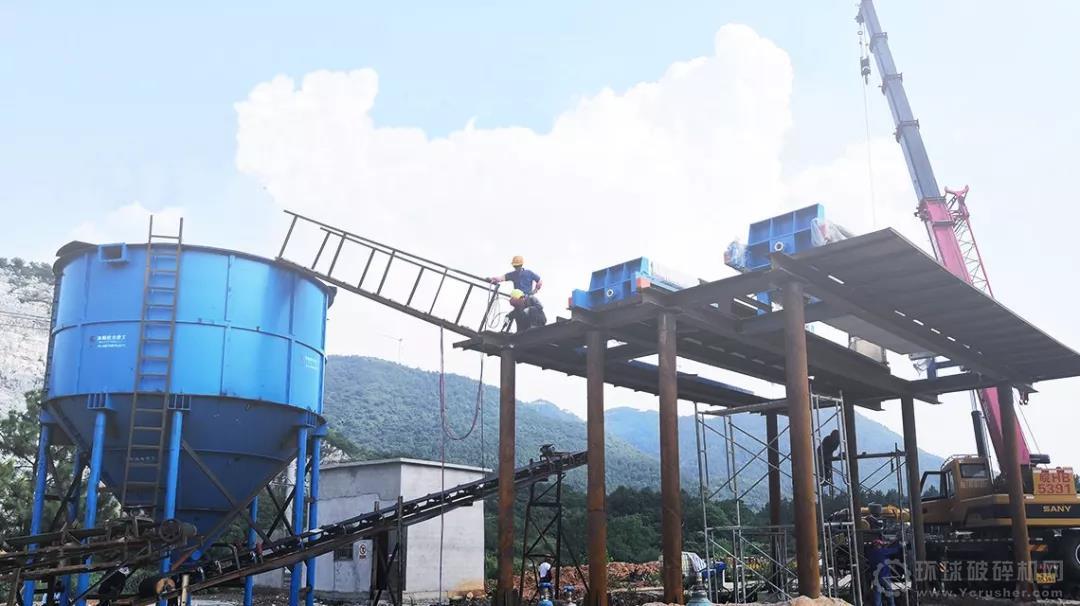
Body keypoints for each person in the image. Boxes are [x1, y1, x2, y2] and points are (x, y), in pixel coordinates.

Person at [865, 537, 903, 606]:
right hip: (885, 576)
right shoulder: (883, 551)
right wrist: (899, 543)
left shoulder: (870, 553)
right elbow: (895, 550)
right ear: (879, 545)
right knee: (889, 595)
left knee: (877, 596)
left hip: (875, 577)